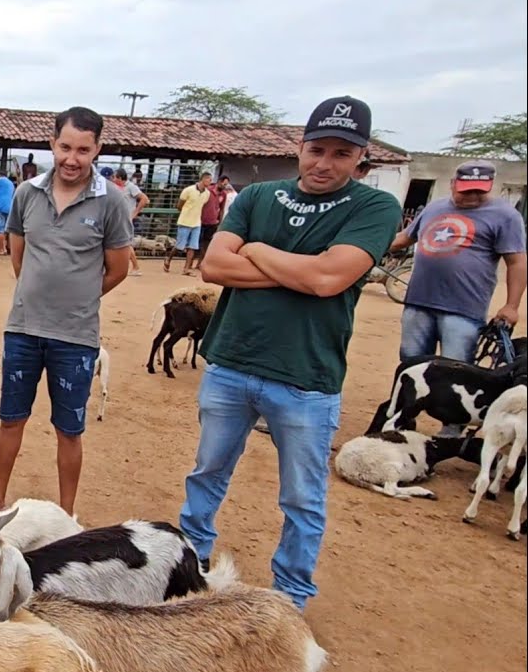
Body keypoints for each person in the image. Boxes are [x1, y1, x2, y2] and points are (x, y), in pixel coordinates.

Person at [178, 96, 401, 611]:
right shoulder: (259, 195)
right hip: (232, 361)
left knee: (302, 496)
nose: (325, 163)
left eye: (341, 154)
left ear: (360, 159)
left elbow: (328, 280)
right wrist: (300, 268)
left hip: (306, 375)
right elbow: (215, 267)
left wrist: (254, 250)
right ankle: (191, 563)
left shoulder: (374, 207)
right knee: (207, 471)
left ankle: (291, 597)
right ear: (300, 148)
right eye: (316, 149)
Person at [0, 106, 133, 518]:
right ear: (52, 144)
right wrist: (35, 294)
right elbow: (19, 255)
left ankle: (66, 515)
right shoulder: (28, 193)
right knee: (11, 418)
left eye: (84, 150)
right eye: (65, 147)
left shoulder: (111, 202)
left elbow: (118, 267)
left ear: (97, 149)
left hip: (76, 337)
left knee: (69, 430)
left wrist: (80, 297)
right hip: (24, 330)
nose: (72, 158)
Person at [388, 160, 526, 436]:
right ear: (453, 184)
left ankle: (451, 430)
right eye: (465, 190)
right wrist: (360, 247)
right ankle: (404, 421)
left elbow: (517, 262)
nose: (472, 196)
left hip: (463, 308)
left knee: (459, 370)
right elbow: (405, 237)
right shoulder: (434, 208)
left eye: (479, 191)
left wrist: (511, 305)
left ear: (490, 186)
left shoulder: (505, 216)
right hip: (418, 301)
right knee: (412, 361)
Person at [165, 171, 211, 275]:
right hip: (185, 221)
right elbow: (179, 205)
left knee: (193, 246)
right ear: (203, 179)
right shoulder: (188, 190)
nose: (210, 182)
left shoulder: (207, 193)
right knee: (179, 245)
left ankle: (186, 268)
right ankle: (168, 259)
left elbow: (202, 206)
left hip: (196, 222)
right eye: (208, 179)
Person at [115, 168, 148, 276]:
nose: (113, 179)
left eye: (115, 177)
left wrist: (135, 213)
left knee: (126, 243)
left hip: (126, 221)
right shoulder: (119, 187)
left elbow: (145, 199)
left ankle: (136, 267)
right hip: (119, 219)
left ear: (120, 178)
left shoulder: (131, 187)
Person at [192, 174, 227, 271]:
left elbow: (222, 209)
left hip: (212, 222)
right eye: (223, 184)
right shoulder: (208, 191)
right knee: (195, 242)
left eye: (226, 185)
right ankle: (190, 262)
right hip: (200, 220)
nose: (224, 186)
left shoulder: (223, 194)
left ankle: (200, 263)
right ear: (219, 182)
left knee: (206, 244)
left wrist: (220, 222)